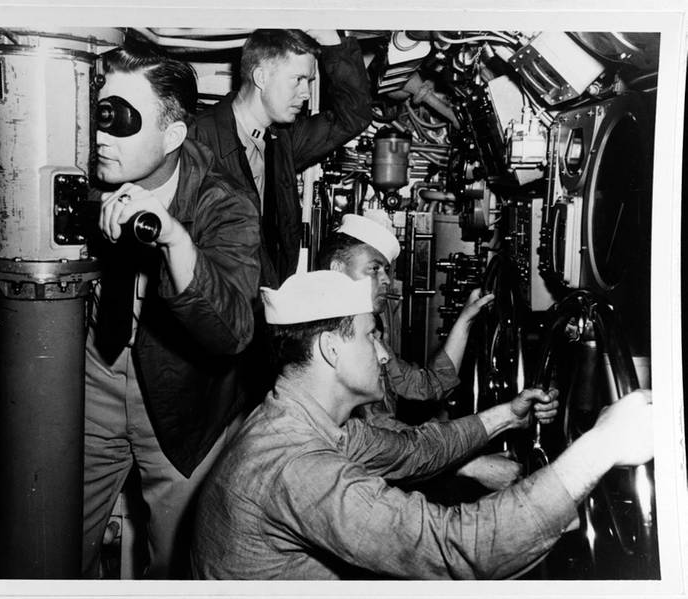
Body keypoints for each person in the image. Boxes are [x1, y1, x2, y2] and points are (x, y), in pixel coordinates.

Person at [189, 270, 653, 580]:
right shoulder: (297, 468)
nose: (383, 351)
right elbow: (458, 547)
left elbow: (413, 449)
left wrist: (504, 416)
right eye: (372, 334)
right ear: (331, 349)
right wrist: (601, 445)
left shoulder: (297, 419)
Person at [83, 43, 260, 578]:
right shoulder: (78, 166)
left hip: (188, 403)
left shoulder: (224, 202)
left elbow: (232, 332)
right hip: (92, 378)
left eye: (122, 121)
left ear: (173, 135)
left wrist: (177, 240)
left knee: (176, 566)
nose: (99, 135)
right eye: (99, 113)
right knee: (46, 537)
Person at [317, 212, 522, 491]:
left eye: (387, 271)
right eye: (374, 269)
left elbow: (425, 386)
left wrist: (465, 320)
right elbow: (371, 440)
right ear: (337, 269)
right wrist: (469, 465)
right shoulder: (326, 344)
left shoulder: (370, 333)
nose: (386, 280)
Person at [189, 28, 371, 288]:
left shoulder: (282, 141)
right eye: (298, 79)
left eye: (308, 81)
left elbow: (353, 115)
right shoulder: (196, 140)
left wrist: (331, 40)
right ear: (261, 76)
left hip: (260, 308)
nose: (306, 93)